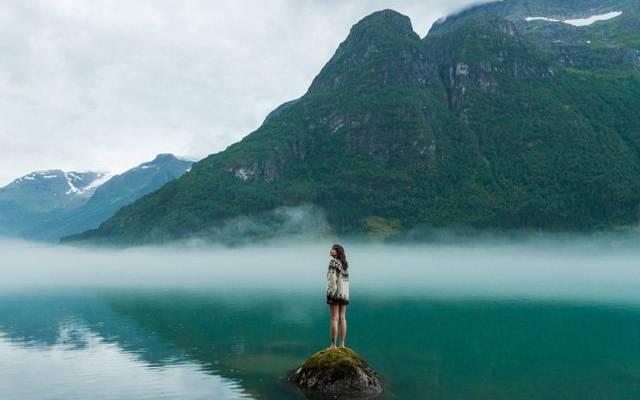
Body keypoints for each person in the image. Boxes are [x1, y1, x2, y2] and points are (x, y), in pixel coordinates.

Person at [326, 244, 349, 349]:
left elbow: (332, 280)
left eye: (334, 249)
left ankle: (333, 345)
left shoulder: (333, 262)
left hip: (335, 293)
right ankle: (342, 344)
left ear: (338, 252)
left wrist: (331, 293)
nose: (331, 250)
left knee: (334, 319)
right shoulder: (344, 264)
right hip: (344, 294)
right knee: (343, 318)